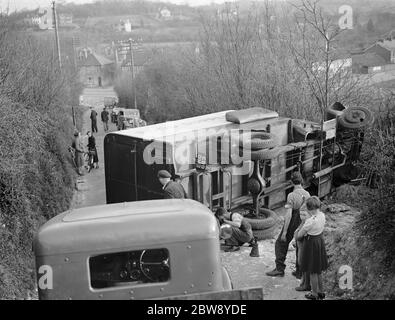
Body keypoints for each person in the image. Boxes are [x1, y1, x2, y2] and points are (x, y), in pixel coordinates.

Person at [266, 171, 310, 277]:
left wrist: (284, 232)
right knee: (299, 245)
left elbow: (289, 215)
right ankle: (299, 272)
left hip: (294, 220)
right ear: (302, 181)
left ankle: (279, 269)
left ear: (291, 182)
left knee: (280, 243)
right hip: (304, 221)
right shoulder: (307, 194)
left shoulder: (291, 195)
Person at [298, 196, 328, 300]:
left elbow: (299, 235)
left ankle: (314, 294)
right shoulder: (322, 215)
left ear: (308, 208)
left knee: (312, 271)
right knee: (318, 270)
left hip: (311, 244)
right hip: (319, 241)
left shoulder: (310, 221)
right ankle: (321, 291)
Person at [294, 205, 311, 292]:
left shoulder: (308, 224)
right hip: (300, 246)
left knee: (304, 264)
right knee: (301, 263)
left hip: (305, 247)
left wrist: (296, 235)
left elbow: (299, 236)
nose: (302, 217)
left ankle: (306, 285)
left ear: (310, 214)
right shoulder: (303, 222)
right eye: (301, 215)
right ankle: (303, 282)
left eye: (304, 215)